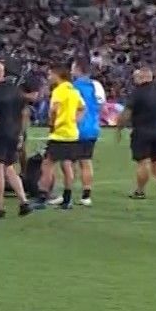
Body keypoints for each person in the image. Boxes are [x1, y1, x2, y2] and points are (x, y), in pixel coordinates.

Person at [0, 63, 34, 218]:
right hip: (14, 134)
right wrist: (21, 134)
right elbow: (25, 113)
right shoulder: (16, 91)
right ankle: (24, 202)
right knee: (9, 168)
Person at [118, 66, 156, 199]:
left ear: (142, 77)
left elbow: (127, 112)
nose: (134, 79)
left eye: (136, 77)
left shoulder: (137, 93)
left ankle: (140, 191)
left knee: (143, 161)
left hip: (142, 131)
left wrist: (120, 126)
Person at [45, 64, 86, 210]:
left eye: (50, 74)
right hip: (72, 133)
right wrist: (75, 120)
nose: (49, 77)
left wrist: (52, 124)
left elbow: (54, 110)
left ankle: (43, 195)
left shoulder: (59, 91)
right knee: (67, 165)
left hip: (59, 134)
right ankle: (67, 199)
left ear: (57, 75)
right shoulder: (74, 90)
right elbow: (82, 107)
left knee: (47, 164)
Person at [71, 59, 104, 206]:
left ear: (78, 69)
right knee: (86, 161)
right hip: (92, 128)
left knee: (69, 162)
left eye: (73, 68)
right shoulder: (96, 85)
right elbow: (101, 105)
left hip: (77, 127)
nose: (71, 71)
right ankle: (86, 195)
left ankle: (67, 194)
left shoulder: (74, 87)